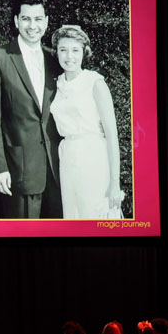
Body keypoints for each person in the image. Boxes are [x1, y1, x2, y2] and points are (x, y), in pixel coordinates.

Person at [0, 0, 63, 218]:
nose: (32, 25)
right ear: (16, 21)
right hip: (19, 170)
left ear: (46, 22)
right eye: (26, 18)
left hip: (60, 171)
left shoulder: (57, 60)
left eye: (37, 19)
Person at [48, 25, 125, 218]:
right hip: (67, 157)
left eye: (75, 50)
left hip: (94, 157)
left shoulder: (95, 83)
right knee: (72, 215)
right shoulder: (56, 84)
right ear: (56, 52)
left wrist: (115, 183)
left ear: (84, 52)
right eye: (63, 50)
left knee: (95, 214)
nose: (69, 56)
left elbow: (112, 135)